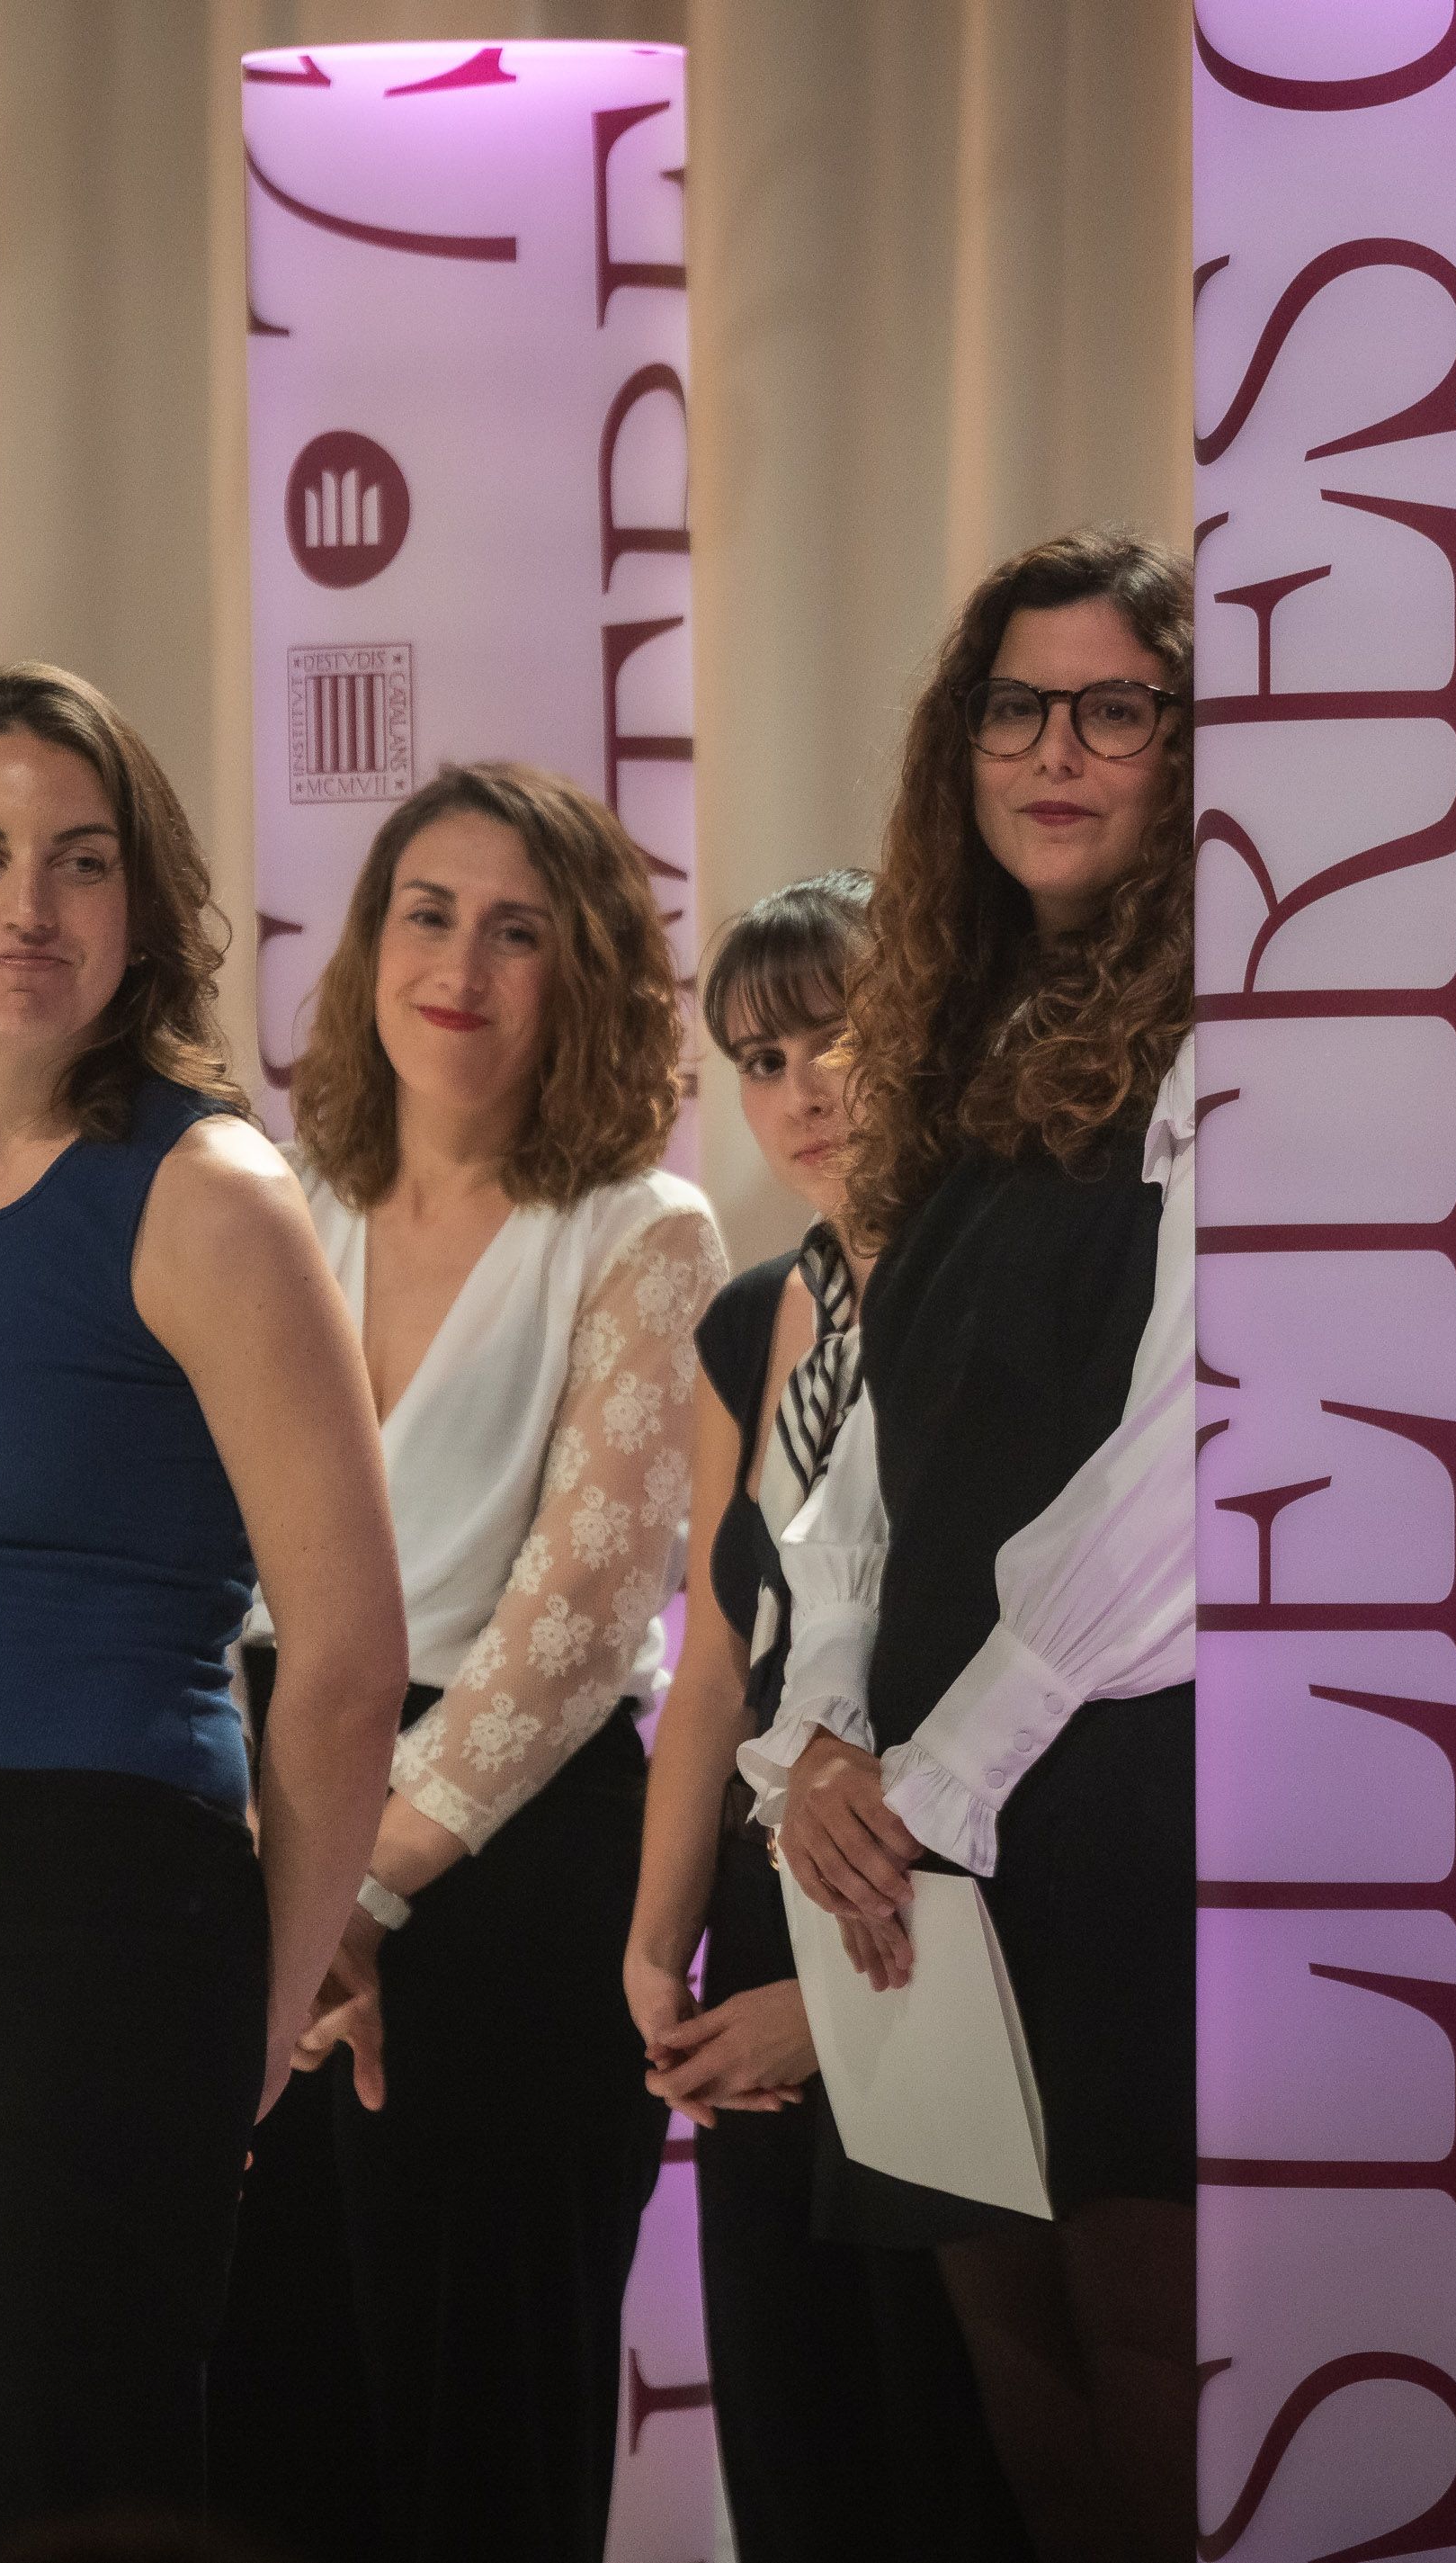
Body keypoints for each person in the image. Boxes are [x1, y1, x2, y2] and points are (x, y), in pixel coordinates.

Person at [0, 662, 407, 2563]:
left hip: (111, 1916)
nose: (25, 907)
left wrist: (259, 2014)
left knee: (76, 2487)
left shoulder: (217, 1197)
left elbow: (351, 1669)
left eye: (78, 862)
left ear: (141, 914)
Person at [206, 760, 725, 2563]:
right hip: (259, 1815)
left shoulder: (642, 1233)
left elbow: (584, 1630)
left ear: (583, 973)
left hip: (496, 1858)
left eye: (520, 929)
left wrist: (358, 1897)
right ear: (364, 948)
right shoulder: (278, 1204)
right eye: (426, 912)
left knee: (474, 2425)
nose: (463, 964)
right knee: (259, 2412)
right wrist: (277, 1878)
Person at [751, 528, 1200, 2563]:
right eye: (1018, 705)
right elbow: (863, 1459)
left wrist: (943, 1772)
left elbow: (1193, 1454)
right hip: (909, 1819)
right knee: (1021, 2420)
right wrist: (822, 1740)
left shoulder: (1234, 1032)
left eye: (1117, 706)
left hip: (1107, 1797)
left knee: (1157, 2415)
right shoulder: (944, 1037)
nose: (1058, 751)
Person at [623, 873, 1032, 2561]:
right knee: (797, 2440)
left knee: (957, 2451)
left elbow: (1026, 1662)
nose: (804, 1091)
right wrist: (658, 1951)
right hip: (761, 1886)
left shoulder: (1021, 1275)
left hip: (949, 1891)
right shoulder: (749, 1317)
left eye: (840, 1035)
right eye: (762, 1056)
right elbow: (716, 1658)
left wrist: (836, 2004)